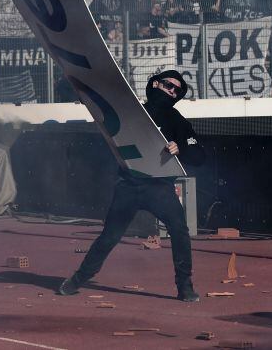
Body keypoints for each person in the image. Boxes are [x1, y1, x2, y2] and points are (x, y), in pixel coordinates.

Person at [58, 70, 205, 302]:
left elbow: (199, 155)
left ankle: (185, 287)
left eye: (177, 90)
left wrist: (181, 148)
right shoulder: (133, 112)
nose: (172, 91)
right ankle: (78, 279)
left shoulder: (176, 119)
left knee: (179, 231)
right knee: (109, 236)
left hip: (160, 188)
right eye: (169, 86)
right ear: (155, 84)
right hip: (129, 185)